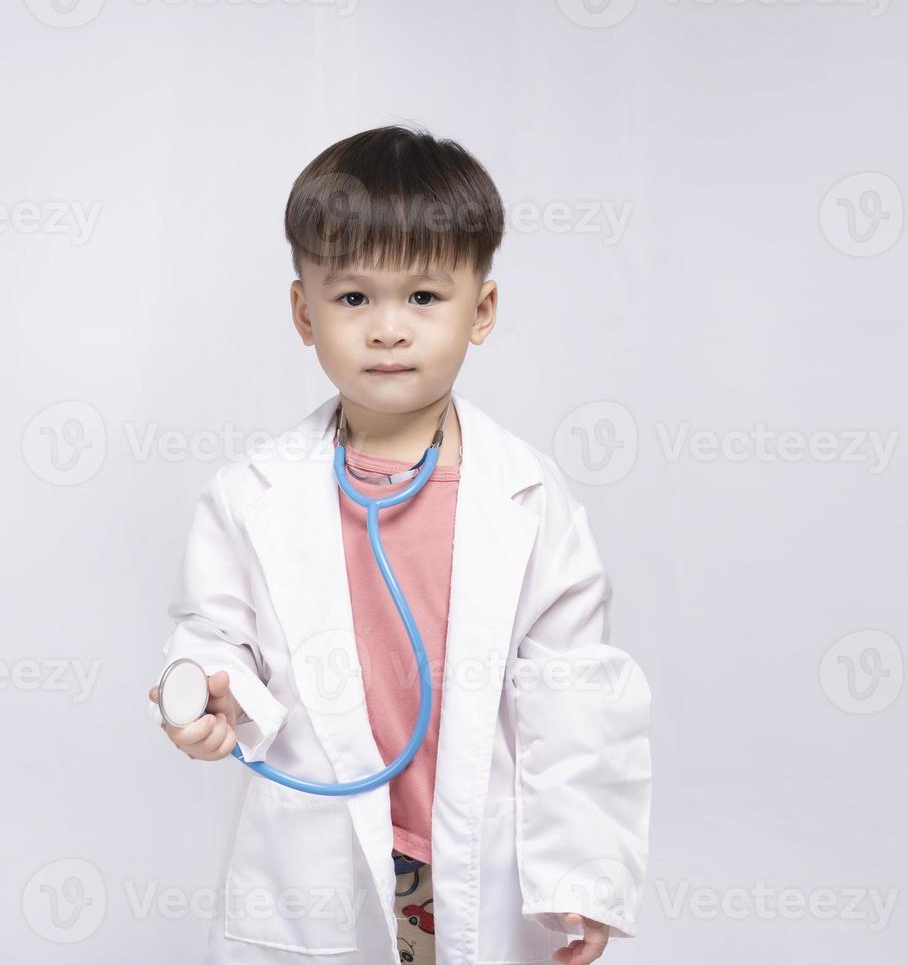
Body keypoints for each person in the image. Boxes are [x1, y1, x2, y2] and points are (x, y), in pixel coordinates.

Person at [149, 124, 652, 965]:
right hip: (330, 843)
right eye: (353, 299)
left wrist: (584, 877)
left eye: (423, 298)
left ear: (480, 312)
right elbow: (214, 629)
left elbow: (575, 698)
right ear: (303, 313)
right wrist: (204, 687)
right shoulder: (251, 494)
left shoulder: (529, 498)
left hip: (473, 851)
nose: (388, 329)